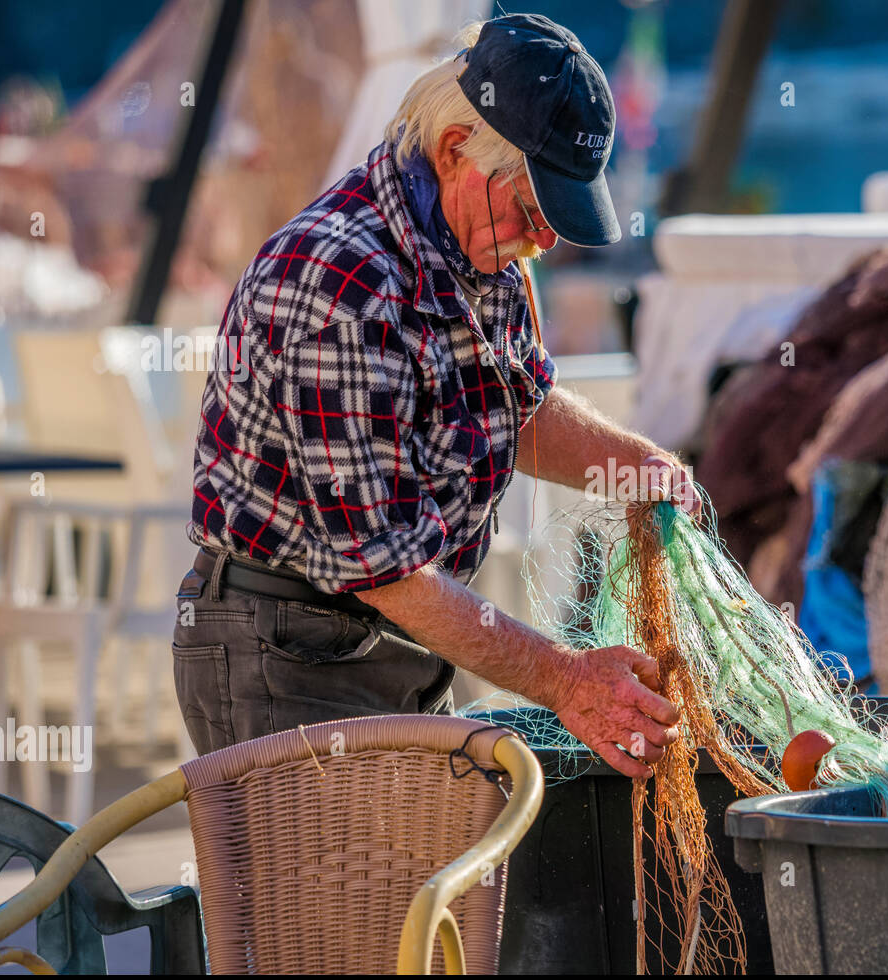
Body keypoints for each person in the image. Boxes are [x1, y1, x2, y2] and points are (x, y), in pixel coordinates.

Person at [172, 13, 695, 779]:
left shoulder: (486, 250)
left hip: (393, 635)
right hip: (285, 651)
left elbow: (519, 412)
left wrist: (640, 467)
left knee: (429, 899)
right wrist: (566, 681)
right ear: (456, 152)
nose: (544, 240)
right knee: (344, 903)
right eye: (532, 207)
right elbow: (386, 566)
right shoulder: (340, 278)